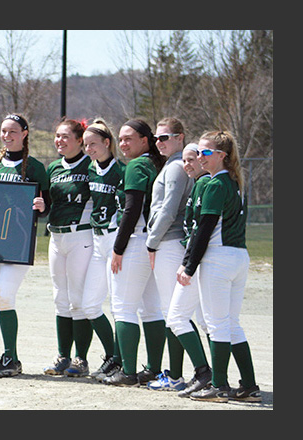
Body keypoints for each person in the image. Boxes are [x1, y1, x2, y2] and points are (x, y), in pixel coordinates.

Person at [178, 131, 261, 403]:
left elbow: (205, 229)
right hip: (239, 256)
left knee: (217, 325)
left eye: (205, 152)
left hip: (218, 257)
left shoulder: (215, 184)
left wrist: (188, 267)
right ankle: (248, 385)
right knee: (231, 323)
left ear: (222, 156)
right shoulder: (236, 182)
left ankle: (219, 386)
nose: (200, 157)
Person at [0, 113, 50, 378]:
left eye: (13, 131)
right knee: (0, 299)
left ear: (25, 133)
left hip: (19, 240)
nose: (7, 136)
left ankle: (12, 358)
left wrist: (42, 207)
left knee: (5, 294)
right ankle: (9, 356)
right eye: (4, 131)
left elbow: (46, 204)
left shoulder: (36, 167)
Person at [104, 118, 165, 386]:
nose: (123, 143)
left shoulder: (138, 165)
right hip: (154, 243)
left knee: (123, 307)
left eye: (129, 138)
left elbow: (132, 209)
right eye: (121, 138)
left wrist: (118, 248)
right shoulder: (157, 162)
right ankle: (152, 368)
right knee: (152, 308)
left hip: (136, 240)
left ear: (145, 140)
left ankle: (127, 371)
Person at [142, 117, 195, 391]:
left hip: (169, 243)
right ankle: (177, 373)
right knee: (175, 312)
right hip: (170, 243)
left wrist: (151, 243)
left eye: (165, 137)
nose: (159, 142)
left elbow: (168, 210)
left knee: (173, 313)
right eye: (157, 138)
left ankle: (178, 374)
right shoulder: (172, 165)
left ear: (180, 137)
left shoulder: (175, 167)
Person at [42, 119, 95, 377]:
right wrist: (42, 207)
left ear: (79, 140)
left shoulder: (90, 165)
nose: (59, 141)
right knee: (59, 298)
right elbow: (49, 203)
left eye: (65, 136)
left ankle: (81, 359)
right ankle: (63, 356)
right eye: (57, 136)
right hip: (56, 236)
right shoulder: (52, 167)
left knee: (78, 299)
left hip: (81, 236)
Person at [79, 118, 125, 381]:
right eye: (85, 145)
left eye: (93, 144)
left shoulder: (121, 170)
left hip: (116, 239)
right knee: (90, 305)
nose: (88, 150)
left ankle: (120, 360)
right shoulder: (92, 169)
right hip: (97, 241)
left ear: (108, 143)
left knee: (120, 306)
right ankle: (112, 357)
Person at [169, 143, 213, 398]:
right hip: (199, 260)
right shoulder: (199, 184)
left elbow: (201, 232)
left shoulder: (207, 184)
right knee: (207, 321)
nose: (187, 165)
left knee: (177, 317)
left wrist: (188, 264)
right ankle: (215, 376)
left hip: (201, 262)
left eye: (192, 159)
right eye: (184, 160)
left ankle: (204, 372)